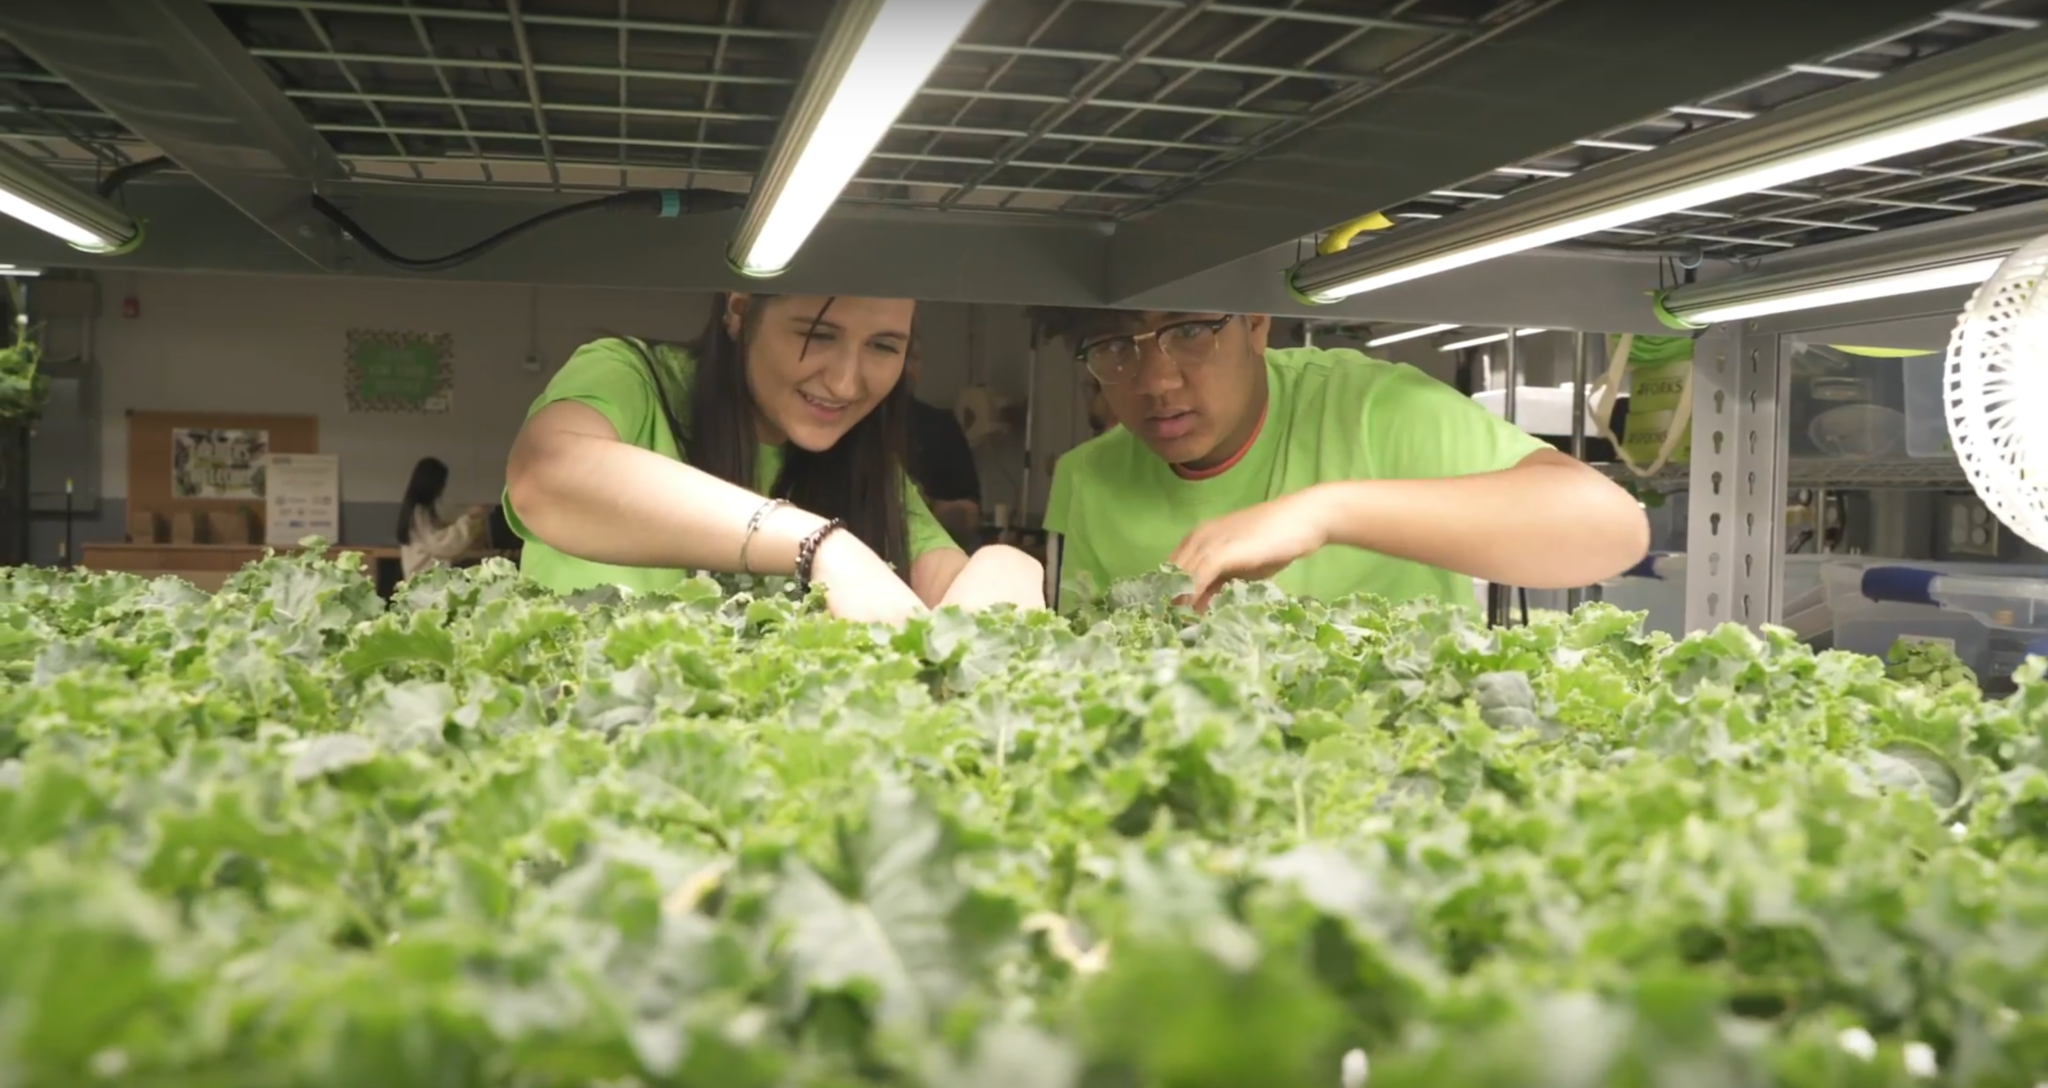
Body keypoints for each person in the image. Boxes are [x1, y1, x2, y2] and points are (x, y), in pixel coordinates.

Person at [1033, 308, 1650, 612]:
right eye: (1115, 347)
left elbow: (1612, 530)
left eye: (1190, 330)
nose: (1156, 381)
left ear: (1255, 323)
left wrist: (1325, 513)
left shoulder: (1374, 408)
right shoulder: (1089, 478)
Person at [503, 293, 1044, 624]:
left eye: (883, 346)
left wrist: (1004, 565)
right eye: (816, 333)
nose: (846, 381)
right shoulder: (633, 376)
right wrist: (820, 547)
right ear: (740, 310)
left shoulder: (863, 463)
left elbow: (948, 589)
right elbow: (545, 475)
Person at [901, 338, 984, 547]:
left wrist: (927, 507)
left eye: (915, 358)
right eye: (900, 356)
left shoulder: (941, 426)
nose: (908, 368)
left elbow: (970, 512)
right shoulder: (848, 423)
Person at [397, 456, 488, 579]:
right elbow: (440, 543)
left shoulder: (419, 510)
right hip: (425, 584)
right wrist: (469, 518)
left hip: (424, 582)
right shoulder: (419, 512)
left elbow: (437, 535)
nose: (442, 488)